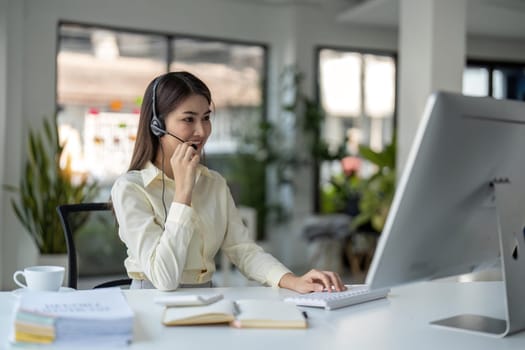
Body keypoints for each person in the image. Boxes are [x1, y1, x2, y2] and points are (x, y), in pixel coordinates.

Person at [111, 71, 346, 293]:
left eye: (206, 118)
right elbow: (164, 278)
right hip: (150, 304)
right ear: (157, 125)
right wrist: (183, 193)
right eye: (188, 119)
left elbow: (243, 250)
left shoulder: (214, 183)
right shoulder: (130, 189)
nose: (201, 131)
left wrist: (292, 280)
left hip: (207, 302)